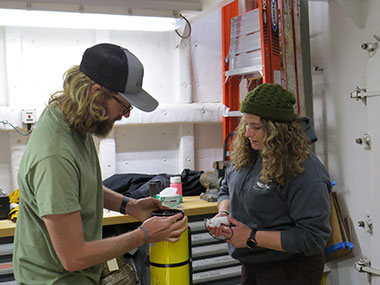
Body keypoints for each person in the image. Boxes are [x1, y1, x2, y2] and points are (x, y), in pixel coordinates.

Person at [13, 43, 188, 284]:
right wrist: (143, 235)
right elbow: (74, 257)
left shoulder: (71, 120)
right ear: (96, 92)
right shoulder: (55, 155)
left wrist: (131, 205)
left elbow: (80, 186)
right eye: (124, 105)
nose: (126, 114)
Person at [208, 83, 331, 285]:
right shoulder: (250, 155)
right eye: (245, 124)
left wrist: (252, 237)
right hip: (253, 262)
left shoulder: (304, 170)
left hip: (291, 270)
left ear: (278, 130)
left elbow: (313, 237)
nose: (247, 133)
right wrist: (224, 215)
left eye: (256, 127)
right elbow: (226, 188)